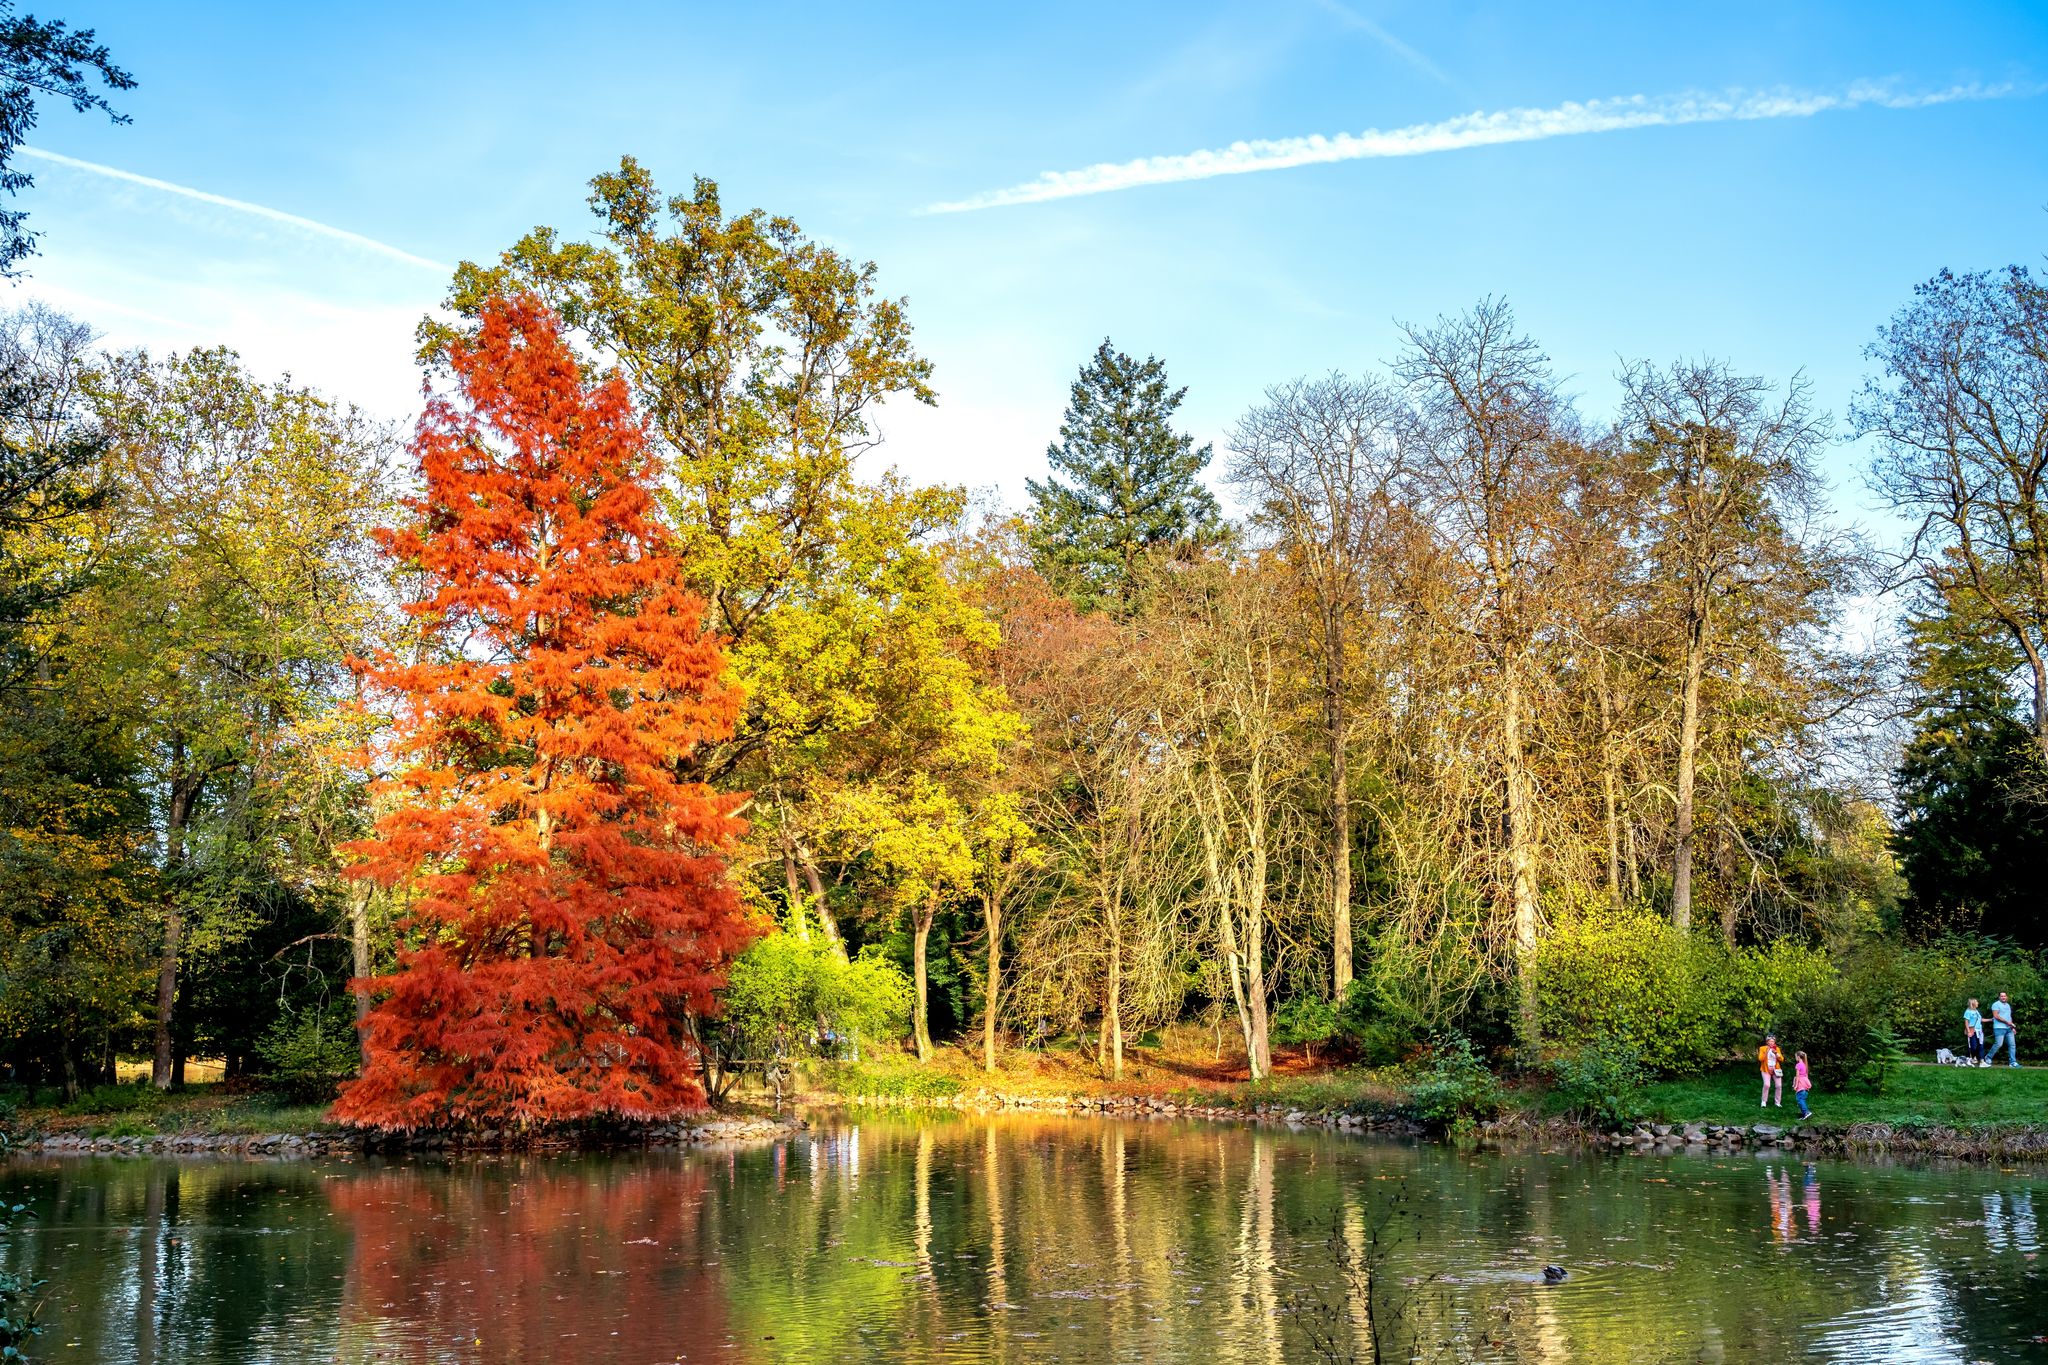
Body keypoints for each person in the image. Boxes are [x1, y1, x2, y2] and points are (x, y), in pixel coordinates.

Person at [1991, 992, 2019, 1068]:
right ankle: (1988, 1058)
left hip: (2009, 1028)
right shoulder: (1995, 1004)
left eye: (2004, 996)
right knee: (1998, 1044)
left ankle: (2012, 1062)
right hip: (1999, 1028)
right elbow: (1996, 1016)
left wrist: (2012, 1027)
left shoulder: (2007, 1005)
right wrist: (2007, 1022)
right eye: (2001, 996)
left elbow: (2009, 1017)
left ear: (2006, 997)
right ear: (1999, 997)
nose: (2003, 997)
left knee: (2012, 1045)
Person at [1759, 1033, 1785, 1108]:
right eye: (1770, 1041)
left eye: (1773, 1041)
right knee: (1767, 1085)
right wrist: (1767, 1051)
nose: (1771, 1043)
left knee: (1779, 1085)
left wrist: (1776, 1053)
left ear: (1774, 1042)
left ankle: (1777, 1102)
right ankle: (1763, 1101)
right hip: (1765, 1070)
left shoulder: (1777, 1049)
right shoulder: (1762, 1048)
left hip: (1776, 1070)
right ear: (1767, 1042)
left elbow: (1781, 1059)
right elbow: (1760, 1059)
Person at [1965, 998, 1986, 1065]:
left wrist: (1991, 1020)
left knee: (1981, 1045)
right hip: (1972, 1031)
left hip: (1979, 1031)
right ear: (1973, 1003)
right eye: (1977, 1002)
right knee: (1973, 1046)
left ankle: (1981, 1060)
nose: (1978, 1003)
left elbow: (1980, 1020)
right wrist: (1968, 1032)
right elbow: (1966, 1022)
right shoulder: (1968, 1011)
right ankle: (1972, 1058)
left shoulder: (1976, 1011)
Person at [1792, 1051, 1813, 1119]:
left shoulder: (1798, 1065)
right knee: (1802, 1099)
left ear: (1798, 1057)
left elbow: (1797, 1076)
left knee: (1800, 1099)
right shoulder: (1804, 1064)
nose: (1795, 1058)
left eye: (1795, 1057)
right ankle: (1804, 1115)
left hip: (1801, 1082)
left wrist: (1795, 1085)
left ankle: (1806, 1112)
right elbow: (1806, 1075)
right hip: (1805, 1082)